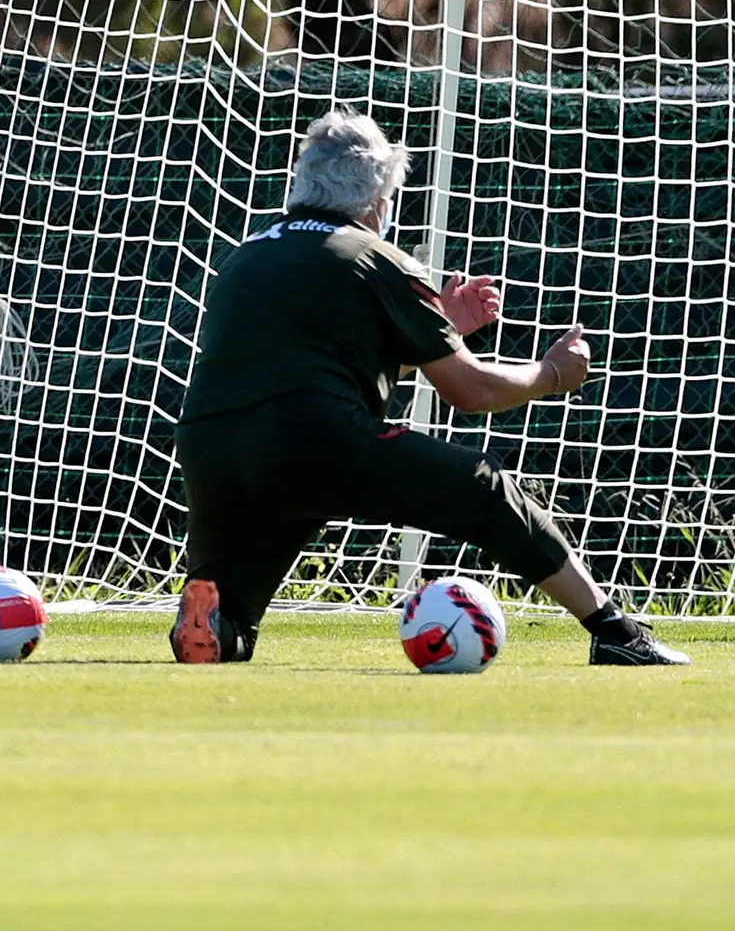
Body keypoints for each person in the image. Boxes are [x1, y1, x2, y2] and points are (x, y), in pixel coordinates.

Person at [170, 109, 688, 667]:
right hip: (316, 442)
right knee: (486, 490)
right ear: (378, 196)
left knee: (235, 624)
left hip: (213, 447)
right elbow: (470, 391)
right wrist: (553, 373)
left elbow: (316, 357)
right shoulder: (377, 257)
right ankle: (614, 631)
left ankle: (215, 620)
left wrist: (440, 334)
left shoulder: (246, 255)